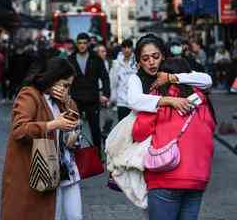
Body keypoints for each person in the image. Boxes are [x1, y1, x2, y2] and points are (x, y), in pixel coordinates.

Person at [127, 34, 214, 220]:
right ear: (138, 62)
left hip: (164, 175)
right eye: (145, 58)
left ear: (164, 57)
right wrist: (168, 100)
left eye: (156, 57)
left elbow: (139, 132)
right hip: (197, 178)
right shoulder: (201, 99)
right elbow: (134, 100)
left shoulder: (168, 86)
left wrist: (172, 79)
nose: (151, 62)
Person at [1, 57, 83, 220]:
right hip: (40, 168)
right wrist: (52, 125)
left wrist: (67, 102)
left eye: (69, 87)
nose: (66, 89)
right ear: (53, 78)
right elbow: (19, 130)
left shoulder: (59, 99)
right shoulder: (29, 95)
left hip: (65, 167)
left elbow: (74, 119)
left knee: (75, 215)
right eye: (65, 85)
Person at [68, 32, 110, 156]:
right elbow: (64, 78)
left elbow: (105, 77)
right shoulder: (70, 59)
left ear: (88, 44)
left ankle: (98, 154)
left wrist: (106, 94)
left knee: (95, 128)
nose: (82, 45)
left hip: (92, 98)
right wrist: (66, 95)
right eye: (79, 43)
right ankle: (74, 154)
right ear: (77, 44)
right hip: (76, 99)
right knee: (74, 128)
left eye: (84, 43)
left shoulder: (96, 58)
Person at [110, 38, 137, 121]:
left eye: (129, 47)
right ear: (121, 49)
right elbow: (113, 82)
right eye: (124, 47)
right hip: (121, 101)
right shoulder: (116, 63)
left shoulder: (137, 62)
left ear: (132, 48)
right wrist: (113, 98)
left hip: (134, 100)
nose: (126, 50)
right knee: (121, 127)